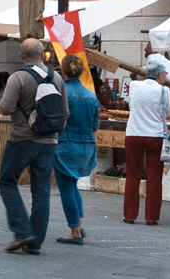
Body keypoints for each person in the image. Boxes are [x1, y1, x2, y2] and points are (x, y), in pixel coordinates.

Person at [0, 38, 66, 255]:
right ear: (43, 53)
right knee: (41, 192)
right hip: (49, 142)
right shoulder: (57, 78)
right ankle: (35, 242)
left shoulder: (18, 78)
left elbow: (5, 109)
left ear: (20, 56)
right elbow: (65, 113)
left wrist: (2, 103)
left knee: (7, 182)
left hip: (21, 139)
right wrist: (54, 134)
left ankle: (22, 231)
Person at [53, 55, 100, 245]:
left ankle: (74, 230)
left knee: (66, 187)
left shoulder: (62, 92)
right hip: (87, 145)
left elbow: (56, 119)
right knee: (73, 184)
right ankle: (79, 226)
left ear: (63, 71)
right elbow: (95, 124)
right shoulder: (91, 94)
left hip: (66, 144)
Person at [124, 57, 170, 225]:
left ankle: (129, 214)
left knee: (132, 174)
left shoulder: (134, 86)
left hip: (134, 132)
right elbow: (167, 112)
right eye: (165, 73)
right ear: (160, 74)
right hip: (155, 134)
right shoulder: (163, 90)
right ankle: (151, 215)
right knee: (154, 176)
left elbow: (131, 106)